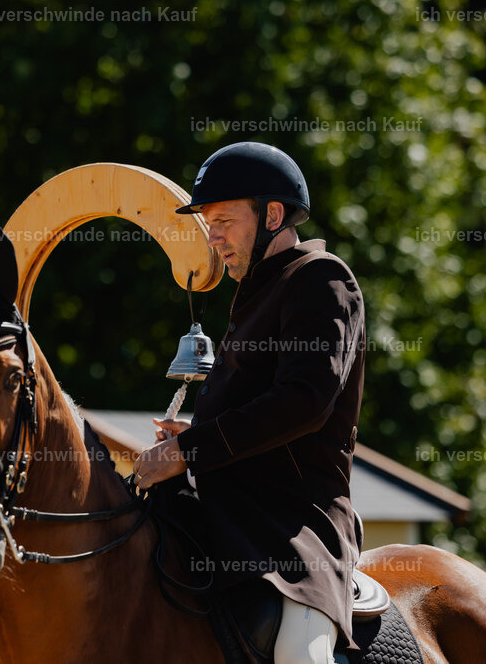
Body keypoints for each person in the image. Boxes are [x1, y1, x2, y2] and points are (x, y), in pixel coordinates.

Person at [132, 141, 366, 664]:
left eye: (224, 222)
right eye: (209, 225)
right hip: (225, 510)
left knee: (298, 656)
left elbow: (305, 402)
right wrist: (191, 440)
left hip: (295, 522)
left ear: (273, 216)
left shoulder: (321, 278)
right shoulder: (254, 293)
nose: (212, 239)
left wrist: (191, 450)